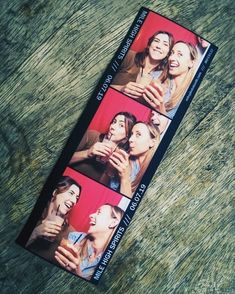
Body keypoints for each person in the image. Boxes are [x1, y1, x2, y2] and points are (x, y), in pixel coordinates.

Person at [54, 204, 124, 280]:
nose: (91, 215)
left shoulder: (114, 261)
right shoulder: (75, 237)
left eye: (99, 212)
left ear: (113, 223)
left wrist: (76, 273)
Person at [26, 176, 81, 263]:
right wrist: (35, 233)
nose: (74, 201)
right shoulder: (31, 213)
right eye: (71, 193)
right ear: (55, 192)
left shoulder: (71, 233)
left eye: (76, 198)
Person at [69, 112, 136, 182]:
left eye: (121, 125)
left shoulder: (119, 158)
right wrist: (87, 153)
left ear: (127, 136)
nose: (112, 127)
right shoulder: (92, 136)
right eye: (114, 122)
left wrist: (109, 171)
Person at [111, 31, 174, 101]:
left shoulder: (162, 77)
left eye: (165, 44)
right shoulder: (128, 56)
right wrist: (121, 88)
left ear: (168, 53)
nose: (159, 46)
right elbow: (103, 82)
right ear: (149, 45)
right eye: (156, 41)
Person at [142, 41, 198, 119]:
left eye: (180, 54)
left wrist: (161, 110)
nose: (171, 58)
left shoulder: (192, 94)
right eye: (172, 53)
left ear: (191, 63)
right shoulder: (158, 76)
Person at [103, 122, 160, 197]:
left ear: (152, 142)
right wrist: (110, 170)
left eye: (138, 135)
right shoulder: (125, 161)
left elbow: (128, 204)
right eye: (131, 134)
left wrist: (125, 178)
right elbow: (107, 190)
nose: (130, 139)